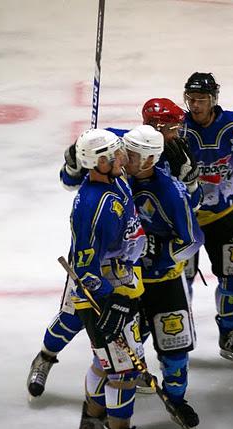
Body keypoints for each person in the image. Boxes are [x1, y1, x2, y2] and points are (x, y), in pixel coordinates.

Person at [26, 98, 199, 398]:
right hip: (98, 252)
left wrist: (191, 181)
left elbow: (187, 209)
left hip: (134, 261)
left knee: (131, 322)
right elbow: (71, 179)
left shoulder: (172, 154)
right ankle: (45, 357)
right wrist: (73, 161)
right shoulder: (116, 144)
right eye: (173, 129)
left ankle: (129, 368)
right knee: (75, 316)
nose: (178, 135)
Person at [123, 125, 204, 427]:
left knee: (174, 346)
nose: (122, 157)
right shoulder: (120, 180)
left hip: (164, 280)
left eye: (128, 154)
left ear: (147, 159)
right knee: (123, 346)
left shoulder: (171, 192)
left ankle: (176, 397)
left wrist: (162, 250)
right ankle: (114, 403)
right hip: (128, 280)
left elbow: (193, 240)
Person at [65, 128, 146, 429]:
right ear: (99, 163)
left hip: (121, 282)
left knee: (105, 362)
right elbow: (86, 269)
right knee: (123, 373)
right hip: (104, 294)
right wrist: (112, 300)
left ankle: (92, 420)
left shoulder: (115, 180)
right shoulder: (91, 207)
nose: (123, 158)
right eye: (116, 155)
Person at [181, 72, 233, 367]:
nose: (195, 105)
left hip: (225, 211)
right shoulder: (178, 128)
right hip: (185, 218)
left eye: (201, 99)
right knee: (180, 279)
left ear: (213, 99)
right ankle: (179, 336)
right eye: (191, 99)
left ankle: (229, 334)